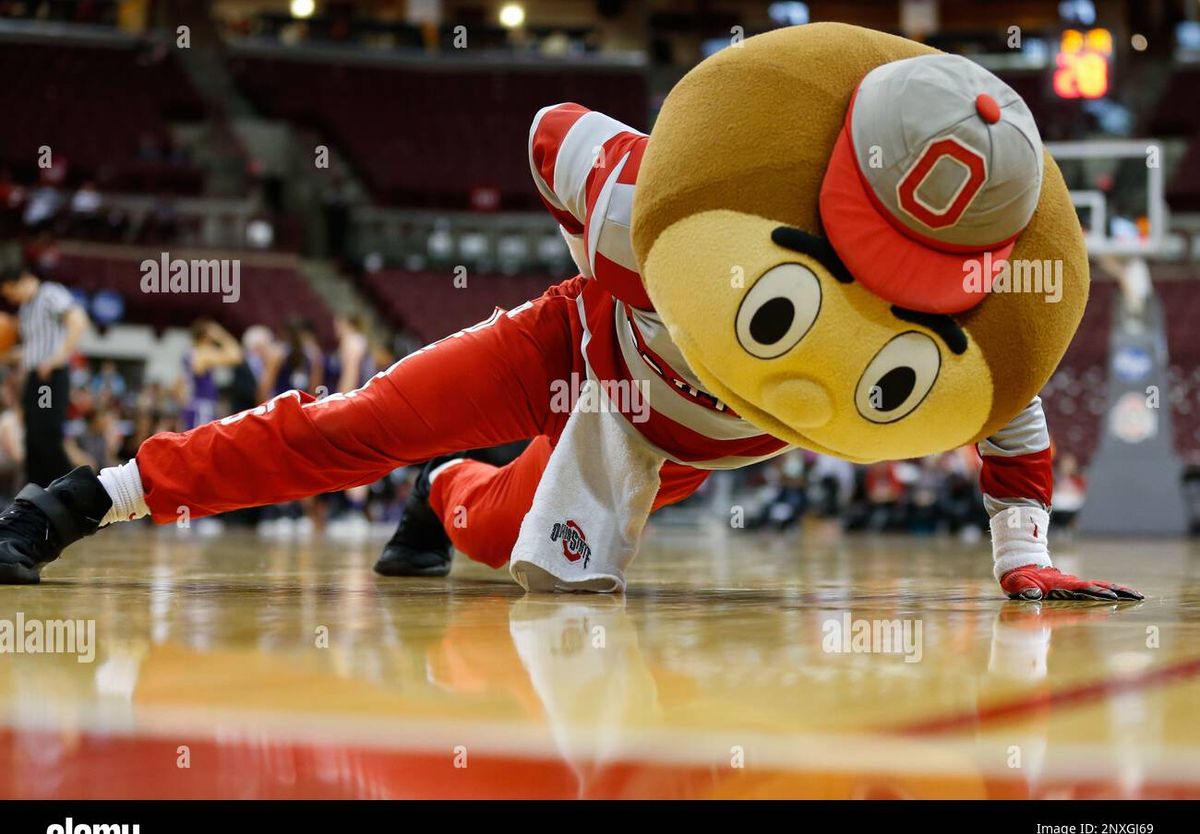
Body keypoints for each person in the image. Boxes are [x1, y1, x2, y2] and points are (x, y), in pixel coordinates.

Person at [0, 35, 1142, 601]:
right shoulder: (651, 202)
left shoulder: (976, 343)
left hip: (664, 441)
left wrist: (1022, 562)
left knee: (497, 539)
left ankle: (441, 496)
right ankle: (83, 498)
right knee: (357, 421)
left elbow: (1015, 427)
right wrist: (622, 244)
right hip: (566, 340)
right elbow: (553, 130)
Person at [0, 265, 89, 487]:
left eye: (10, 291)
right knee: (32, 440)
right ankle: (37, 498)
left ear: (22, 280)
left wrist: (57, 358)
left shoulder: (49, 293)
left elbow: (78, 320)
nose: (10, 298)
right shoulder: (26, 309)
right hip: (35, 379)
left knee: (46, 436)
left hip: (49, 379)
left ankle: (76, 491)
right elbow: (31, 350)